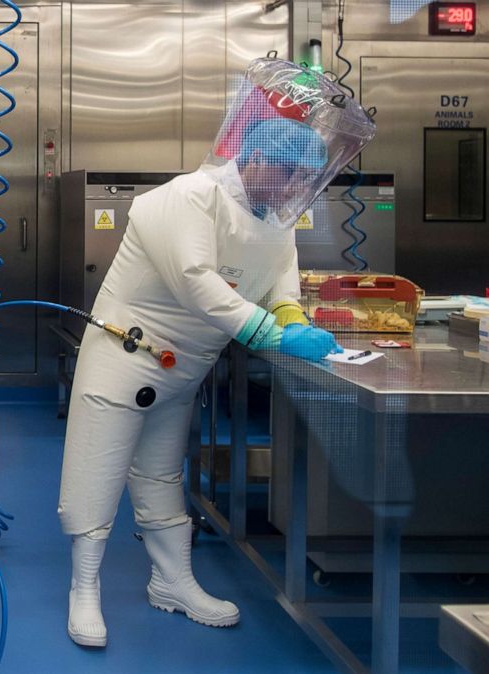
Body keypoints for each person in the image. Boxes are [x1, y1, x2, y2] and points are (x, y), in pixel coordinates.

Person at [58, 57, 376, 647]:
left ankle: (171, 581)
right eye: (285, 176)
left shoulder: (275, 217)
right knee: (95, 473)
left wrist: (289, 315)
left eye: (300, 181)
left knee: (160, 475)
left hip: (183, 371)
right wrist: (270, 333)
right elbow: (196, 283)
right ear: (253, 158)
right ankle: (84, 590)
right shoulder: (184, 199)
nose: (291, 191)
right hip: (123, 359)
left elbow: (280, 280)